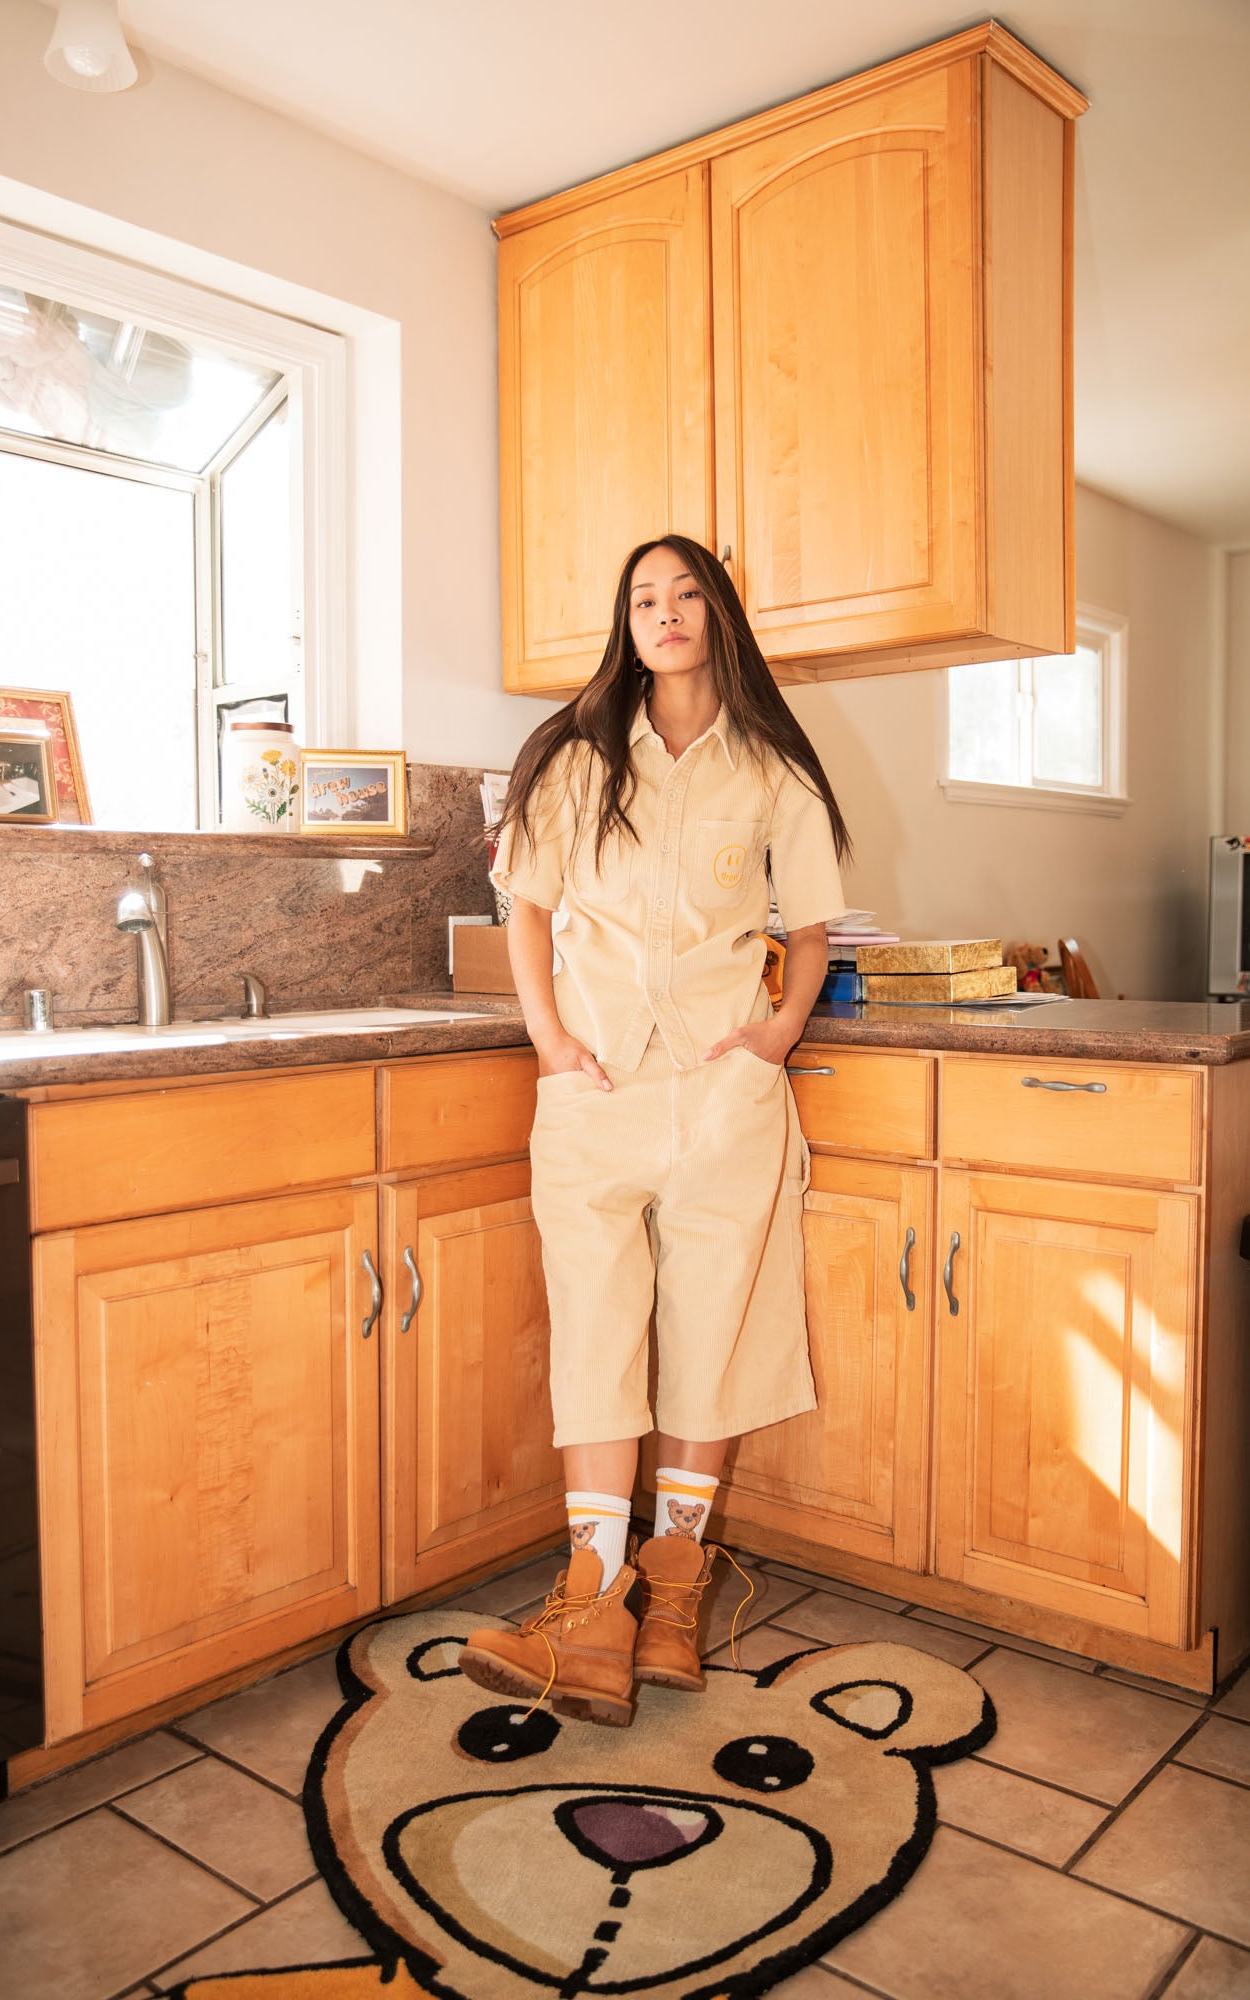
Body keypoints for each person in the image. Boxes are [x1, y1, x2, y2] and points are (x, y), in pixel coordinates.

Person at [458, 534, 852, 1726]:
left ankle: (671, 1596)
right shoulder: (572, 759)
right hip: (594, 1089)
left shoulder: (774, 766)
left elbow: (812, 928)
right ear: (624, 624)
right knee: (594, 1330)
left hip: (724, 1094)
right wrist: (547, 1039)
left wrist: (778, 1029)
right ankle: (592, 1602)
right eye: (643, 598)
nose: (664, 613)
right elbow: (528, 913)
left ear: (717, 614)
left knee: (710, 1329)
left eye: (685, 594)